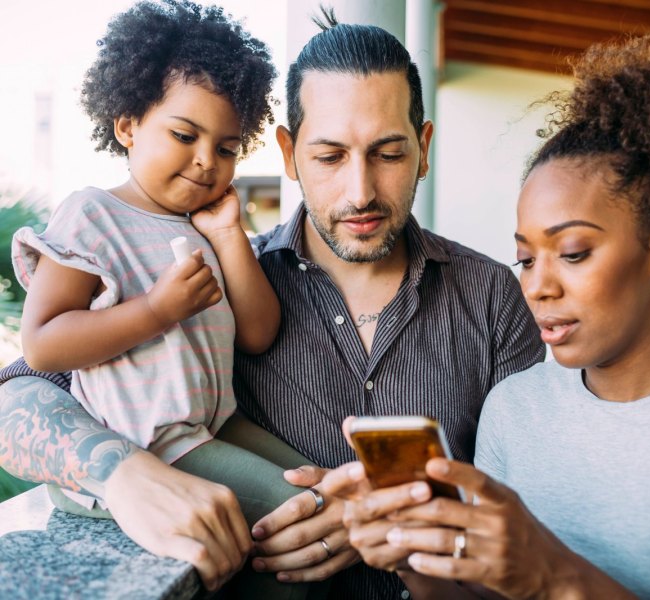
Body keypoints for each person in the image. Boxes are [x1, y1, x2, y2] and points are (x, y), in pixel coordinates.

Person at [0, 9, 545, 599]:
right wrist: (125, 474)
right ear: (288, 154)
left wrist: (389, 524)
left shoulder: (494, 299)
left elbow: (534, 515)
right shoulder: (220, 274)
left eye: (388, 154)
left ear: (424, 146)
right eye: (329, 156)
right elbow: (18, 394)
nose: (359, 192)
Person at [320, 30, 650, 599]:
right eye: (524, 258)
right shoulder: (514, 408)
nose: (537, 287)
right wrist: (414, 555)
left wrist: (552, 574)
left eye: (573, 253)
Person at [9, 1, 320, 597]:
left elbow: (258, 332)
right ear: (127, 126)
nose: (207, 160)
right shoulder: (94, 215)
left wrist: (229, 234)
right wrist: (156, 311)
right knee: (296, 512)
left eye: (227, 148)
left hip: (211, 428)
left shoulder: (208, 228)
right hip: (145, 443)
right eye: (185, 135)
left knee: (321, 487)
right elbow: (44, 345)